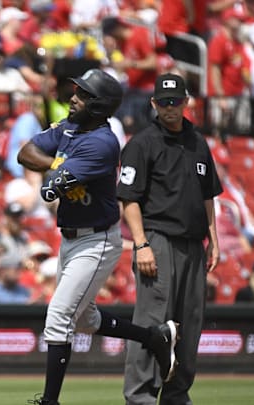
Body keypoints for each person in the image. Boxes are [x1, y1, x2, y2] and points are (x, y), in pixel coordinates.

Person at [18, 69, 177, 405]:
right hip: (71, 238)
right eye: (77, 91)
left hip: (97, 240)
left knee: (59, 317)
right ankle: (153, 337)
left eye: (83, 94)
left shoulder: (102, 144)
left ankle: (49, 402)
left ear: (99, 105)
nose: (74, 97)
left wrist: (55, 167)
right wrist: (59, 162)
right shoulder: (71, 127)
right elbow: (25, 154)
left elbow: (48, 189)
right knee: (86, 319)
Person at [114, 72, 221, 405]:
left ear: (186, 102)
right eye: (164, 102)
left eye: (176, 101)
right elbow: (128, 198)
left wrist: (214, 239)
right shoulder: (142, 143)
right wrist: (141, 244)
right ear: (154, 104)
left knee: (190, 324)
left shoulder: (197, 141)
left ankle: (177, 396)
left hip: (193, 244)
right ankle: (140, 397)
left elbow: (208, 195)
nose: (170, 107)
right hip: (157, 240)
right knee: (152, 324)